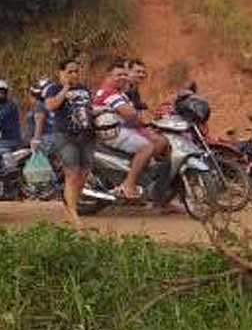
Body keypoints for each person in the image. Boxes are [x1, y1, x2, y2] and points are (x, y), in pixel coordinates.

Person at [93, 60, 165, 200]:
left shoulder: (118, 92)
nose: (123, 78)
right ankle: (129, 184)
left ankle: (143, 176)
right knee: (147, 147)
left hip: (119, 129)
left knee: (158, 141)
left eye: (125, 75)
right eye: (118, 75)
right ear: (109, 76)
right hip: (113, 132)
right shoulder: (109, 93)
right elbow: (130, 113)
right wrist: (144, 121)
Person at [44, 58, 95, 229]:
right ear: (61, 72)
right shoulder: (53, 88)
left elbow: (89, 108)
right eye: (70, 71)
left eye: (76, 71)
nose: (74, 74)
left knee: (83, 174)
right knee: (71, 174)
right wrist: (65, 87)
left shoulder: (84, 89)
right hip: (65, 135)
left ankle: (69, 209)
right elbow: (51, 106)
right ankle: (74, 215)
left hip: (86, 135)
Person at [0, 79, 22, 154]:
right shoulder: (9, 105)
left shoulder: (10, 106)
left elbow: (2, 119)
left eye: (2, 92)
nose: (1, 94)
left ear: (6, 93)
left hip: (9, 142)